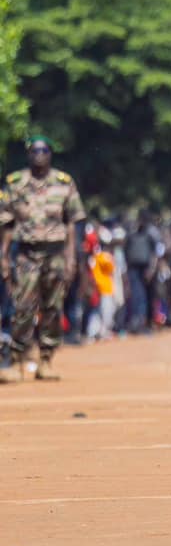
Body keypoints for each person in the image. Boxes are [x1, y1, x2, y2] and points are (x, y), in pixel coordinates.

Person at [1, 138, 84, 381]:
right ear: (28, 154)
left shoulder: (64, 183)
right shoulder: (15, 183)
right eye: (34, 150)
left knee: (53, 308)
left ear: (50, 154)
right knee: (22, 307)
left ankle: (46, 360)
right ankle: (17, 360)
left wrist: (71, 258)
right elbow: (7, 224)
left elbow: (72, 223)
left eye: (44, 150)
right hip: (26, 254)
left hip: (55, 254)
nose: (39, 154)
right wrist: (3, 257)